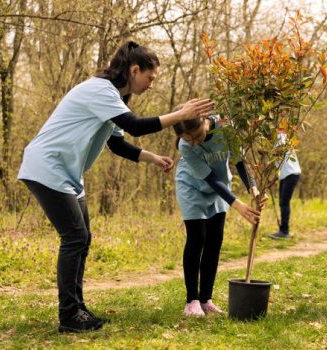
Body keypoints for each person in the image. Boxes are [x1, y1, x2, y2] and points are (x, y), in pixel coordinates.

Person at [17, 40, 214, 333]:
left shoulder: (115, 100)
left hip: (67, 173)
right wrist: (181, 115)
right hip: (47, 166)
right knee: (74, 237)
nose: (151, 84)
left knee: (81, 238)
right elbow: (136, 125)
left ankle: (78, 310)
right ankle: (69, 316)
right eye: (150, 77)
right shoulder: (100, 90)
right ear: (135, 70)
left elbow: (117, 142)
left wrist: (151, 158)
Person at [173, 115, 265, 317]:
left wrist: (253, 188)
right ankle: (192, 301)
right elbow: (210, 178)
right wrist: (237, 204)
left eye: (197, 135)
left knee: (215, 240)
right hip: (192, 186)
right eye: (190, 140)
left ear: (203, 121)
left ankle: (206, 299)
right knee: (198, 238)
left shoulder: (226, 128)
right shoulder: (185, 146)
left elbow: (241, 161)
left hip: (221, 188)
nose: (195, 142)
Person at [268, 130, 301, 239]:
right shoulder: (275, 139)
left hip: (291, 173)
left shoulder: (281, 136)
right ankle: (283, 230)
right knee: (282, 202)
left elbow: (279, 152)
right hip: (285, 175)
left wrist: (266, 152)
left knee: (284, 202)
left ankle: (284, 231)